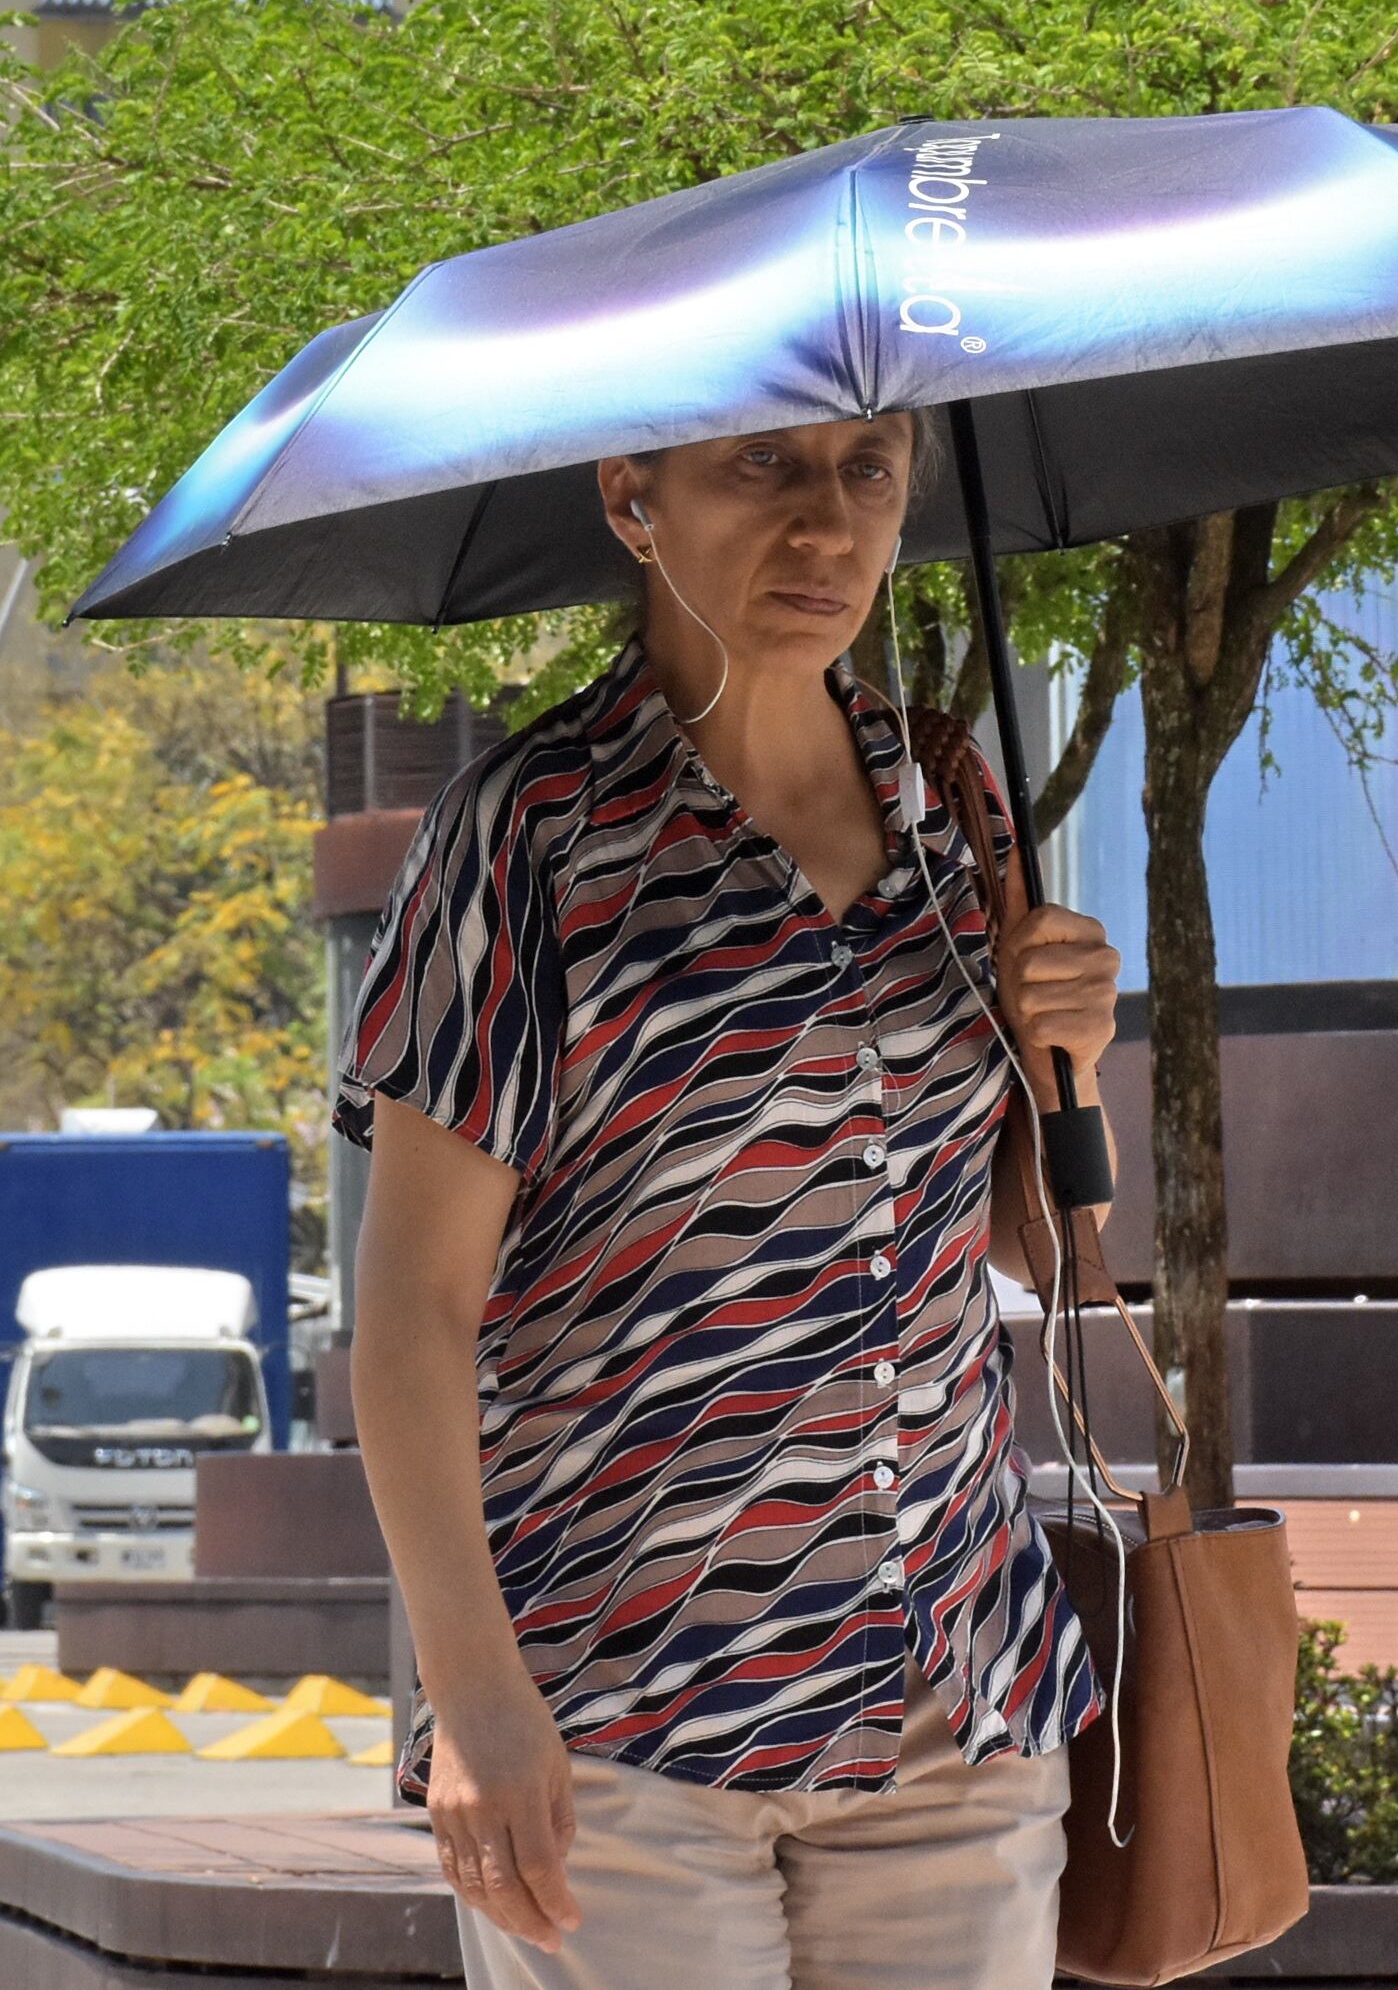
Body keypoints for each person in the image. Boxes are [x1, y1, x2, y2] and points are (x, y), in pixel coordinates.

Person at [345, 413, 1118, 1990]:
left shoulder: (954, 808)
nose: (828, 527)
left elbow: (1023, 1248)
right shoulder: (528, 836)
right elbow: (412, 1315)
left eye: (870, 471)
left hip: (951, 1691)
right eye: (764, 468)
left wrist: (1077, 1061)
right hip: (620, 1704)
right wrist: (472, 1697)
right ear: (632, 500)